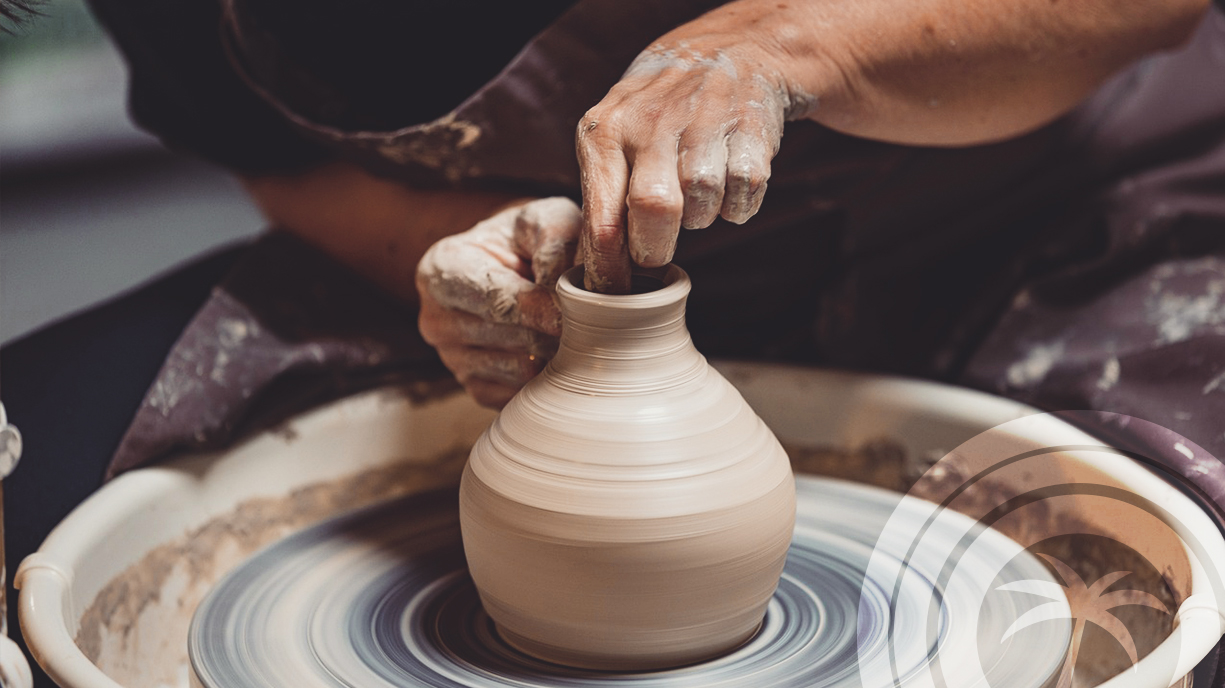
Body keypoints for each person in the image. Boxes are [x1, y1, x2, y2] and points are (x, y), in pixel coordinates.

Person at [2, 1, 1224, 686]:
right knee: (42, 483)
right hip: (573, 268)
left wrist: (789, 48)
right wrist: (455, 248)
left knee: (1162, 565)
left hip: (1040, 204)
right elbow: (274, 161)